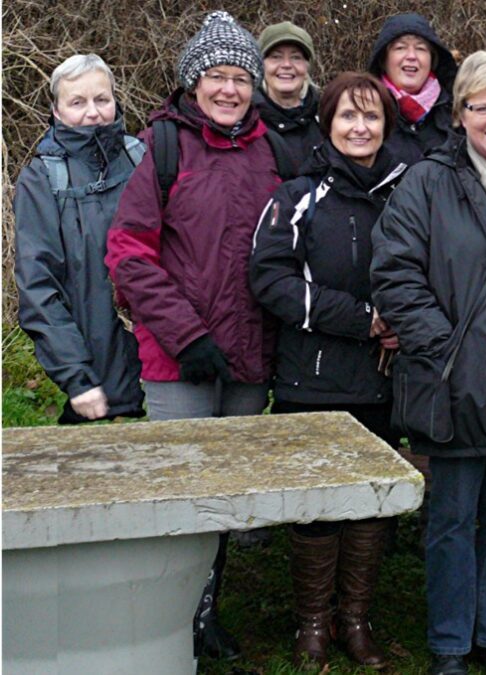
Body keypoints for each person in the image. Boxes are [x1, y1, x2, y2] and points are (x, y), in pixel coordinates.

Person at [106, 10, 282, 661]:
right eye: (216, 76)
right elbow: (127, 252)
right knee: (180, 491)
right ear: (193, 83)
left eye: (241, 78)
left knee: (224, 496)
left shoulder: (274, 151)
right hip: (179, 358)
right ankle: (166, 620)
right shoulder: (165, 147)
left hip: (248, 355)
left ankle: (207, 613)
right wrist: (185, 335)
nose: (229, 89)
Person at [370, 49, 486, 675]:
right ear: (461, 113)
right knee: (450, 520)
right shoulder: (427, 180)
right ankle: (450, 643)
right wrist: (443, 343)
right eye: (483, 107)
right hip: (450, 382)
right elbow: (393, 273)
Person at [249, 71, 408, 670]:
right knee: (317, 506)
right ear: (328, 123)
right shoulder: (296, 196)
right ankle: (313, 622)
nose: (360, 127)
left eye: (371, 117)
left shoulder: (406, 191)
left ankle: (357, 619)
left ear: (386, 126)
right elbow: (269, 279)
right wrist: (362, 319)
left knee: (367, 504)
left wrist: (398, 323)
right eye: (348, 116)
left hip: (384, 377)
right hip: (310, 377)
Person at [14, 54, 145, 425]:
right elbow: (39, 286)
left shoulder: (143, 160)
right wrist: (76, 376)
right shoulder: (42, 181)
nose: (93, 113)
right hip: (94, 386)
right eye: (78, 102)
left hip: (163, 374)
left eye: (101, 99)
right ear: (56, 112)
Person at [367, 13, 457, 165]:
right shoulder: (365, 112)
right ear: (383, 60)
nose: (411, 56)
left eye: (420, 48)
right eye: (400, 47)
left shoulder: (457, 111)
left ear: (432, 60)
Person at [255, 21, 322, 173]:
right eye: (276, 57)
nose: (286, 65)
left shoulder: (327, 119)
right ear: (261, 65)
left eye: (296, 57)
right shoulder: (247, 121)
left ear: (307, 66)